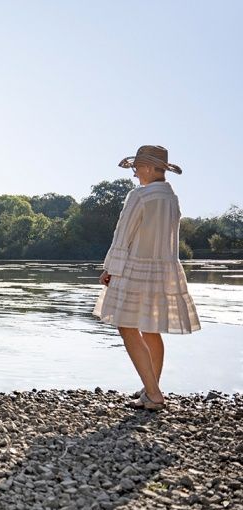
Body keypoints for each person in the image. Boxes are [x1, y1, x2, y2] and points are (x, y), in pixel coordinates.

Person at [92, 145, 200, 411]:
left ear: (151, 168)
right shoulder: (171, 198)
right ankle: (151, 389)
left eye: (138, 167)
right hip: (164, 270)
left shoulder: (139, 196)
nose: (135, 173)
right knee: (150, 328)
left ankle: (153, 393)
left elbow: (123, 235)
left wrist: (110, 268)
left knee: (126, 326)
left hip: (135, 268)